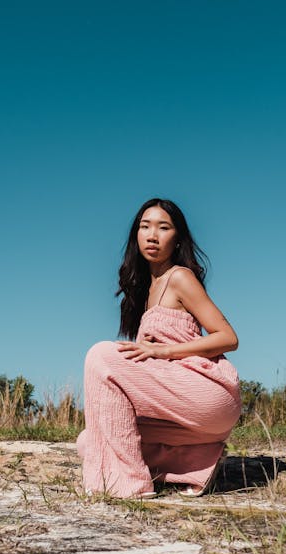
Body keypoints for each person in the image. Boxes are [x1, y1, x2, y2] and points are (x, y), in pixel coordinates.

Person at [76, 198, 241, 499]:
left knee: (101, 355)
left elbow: (228, 337)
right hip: (183, 411)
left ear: (177, 239)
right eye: (145, 227)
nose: (152, 235)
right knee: (90, 440)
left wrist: (163, 351)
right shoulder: (145, 292)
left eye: (163, 227)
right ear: (135, 235)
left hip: (207, 391)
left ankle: (130, 486)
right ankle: (199, 464)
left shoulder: (179, 277)